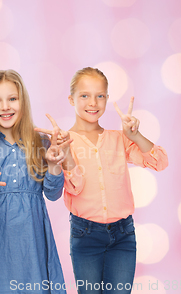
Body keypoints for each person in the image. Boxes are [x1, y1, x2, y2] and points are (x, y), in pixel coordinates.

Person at [58, 67, 169, 293]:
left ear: (107, 99)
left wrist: (134, 135)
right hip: (85, 235)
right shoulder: (63, 143)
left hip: (122, 235)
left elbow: (160, 162)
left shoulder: (119, 139)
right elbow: (75, 187)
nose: (93, 102)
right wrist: (65, 153)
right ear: (71, 99)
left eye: (100, 96)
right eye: (85, 96)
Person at [0, 69, 68, 294]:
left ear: (23, 101)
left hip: (32, 240)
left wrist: (53, 164)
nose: (6, 107)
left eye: (12, 98)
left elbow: (52, 194)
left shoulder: (41, 141)